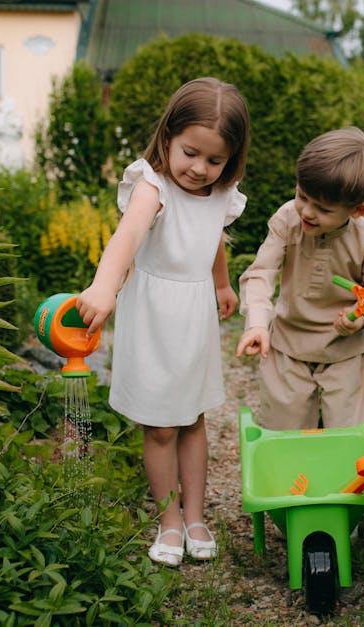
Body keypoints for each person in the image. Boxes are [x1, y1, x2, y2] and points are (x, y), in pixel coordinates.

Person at [76, 77, 250, 567]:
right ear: (168, 135)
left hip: (194, 313)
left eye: (214, 160)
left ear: (230, 160)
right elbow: (127, 237)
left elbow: (214, 235)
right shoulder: (151, 186)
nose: (199, 169)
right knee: (159, 427)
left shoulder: (221, 191)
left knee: (193, 417)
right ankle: (168, 518)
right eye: (190, 153)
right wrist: (104, 287)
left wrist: (221, 283)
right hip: (153, 313)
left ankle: (196, 516)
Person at [235, 126, 364, 430]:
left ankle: (340, 478)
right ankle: (288, 478)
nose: (306, 212)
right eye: (302, 196)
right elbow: (260, 274)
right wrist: (257, 322)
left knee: (346, 432)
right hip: (287, 343)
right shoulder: (287, 219)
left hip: (348, 348)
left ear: (359, 210)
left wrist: (361, 317)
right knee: (283, 427)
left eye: (322, 208)